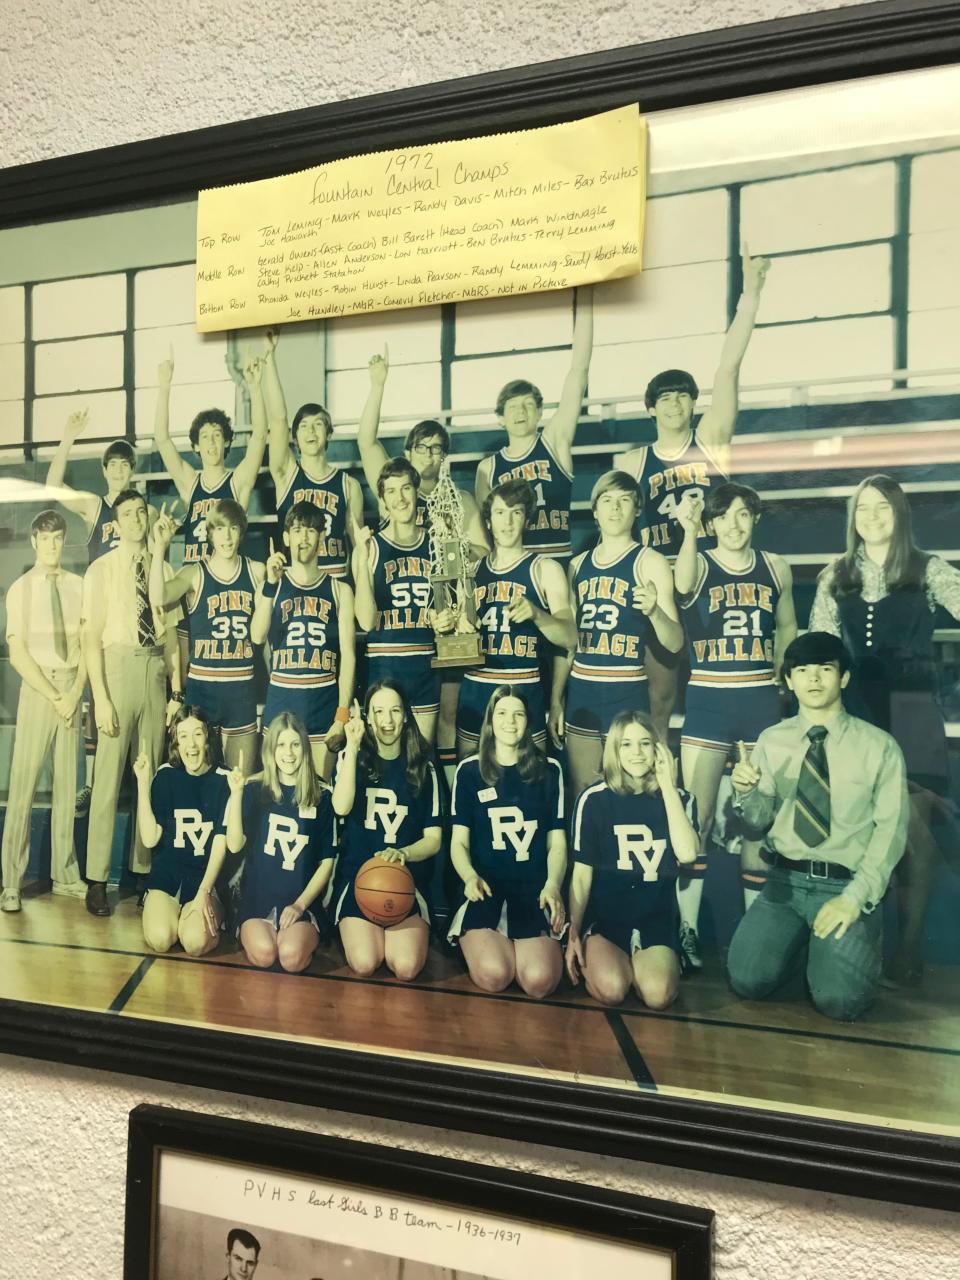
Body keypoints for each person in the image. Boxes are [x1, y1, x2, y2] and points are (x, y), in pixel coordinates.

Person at [810, 474, 960, 987]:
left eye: (882, 509)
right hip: (857, 717)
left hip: (915, 715)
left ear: (900, 514)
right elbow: (819, 648)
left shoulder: (930, 568)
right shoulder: (836, 574)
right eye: (862, 509)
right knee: (863, 827)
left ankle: (911, 948)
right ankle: (863, 943)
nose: (872, 518)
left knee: (916, 831)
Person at [618, 247, 771, 737]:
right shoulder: (633, 462)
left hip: (714, 580)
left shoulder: (711, 442)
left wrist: (750, 295)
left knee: (723, 690)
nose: (676, 404)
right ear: (651, 409)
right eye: (665, 398)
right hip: (663, 586)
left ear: (692, 403)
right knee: (658, 697)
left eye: (684, 395)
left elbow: (727, 368)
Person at [726, 631, 908, 1022]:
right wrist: (745, 791)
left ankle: (851, 946)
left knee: (840, 1002)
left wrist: (853, 899)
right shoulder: (772, 740)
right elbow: (758, 820)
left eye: (825, 669)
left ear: (843, 678)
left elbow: (891, 834)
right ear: (789, 680)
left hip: (845, 886)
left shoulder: (879, 746)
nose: (813, 679)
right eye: (802, 670)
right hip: (784, 885)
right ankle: (807, 949)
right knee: (746, 979)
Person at [673, 482, 797, 967]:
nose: (734, 524)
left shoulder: (774, 566)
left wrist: (783, 676)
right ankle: (686, 926)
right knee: (696, 818)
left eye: (744, 515)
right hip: (708, 698)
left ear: (755, 520)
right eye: (724, 516)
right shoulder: (699, 560)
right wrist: (688, 530)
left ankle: (752, 937)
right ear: (712, 522)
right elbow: (682, 587)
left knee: (757, 821)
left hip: (760, 700)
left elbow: (786, 625)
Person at [81, 489, 183, 917]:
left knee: (149, 777)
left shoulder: (165, 566)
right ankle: (97, 879)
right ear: (115, 523)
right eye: (127, 514)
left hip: (154, 668)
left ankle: (143, 873)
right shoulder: (100, 569)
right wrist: (100, 698)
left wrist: (177, 690)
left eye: (141, 512)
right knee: (107, 780)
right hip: (118, 666)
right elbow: (89, 638)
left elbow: (174, 635)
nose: (136, 519)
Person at [550, 471, 682, 799]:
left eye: (624, 500)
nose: (615, 508)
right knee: (582, 791)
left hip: (626, 691)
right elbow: (569, 642)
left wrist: (655, 612)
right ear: (594, 511)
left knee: (630, 788)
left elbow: (675, 642)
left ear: (637, 510)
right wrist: (556, 697)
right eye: (606, 500)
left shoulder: (650, 562)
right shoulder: (577, 566)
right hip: (582, 689)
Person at [566, 711, 699, 1008]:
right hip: (607, 919)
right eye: (626, 744)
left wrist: (667, 786)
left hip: (656, 918)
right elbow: (581, 875)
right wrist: (573, 930)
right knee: (612, 989)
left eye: (645, 743)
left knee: (658, 996)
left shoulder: (680, 798)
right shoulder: (594, 799)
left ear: (658, 749)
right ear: (614, 750)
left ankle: (651, 963)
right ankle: (614, 962)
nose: (636, 753)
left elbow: (688, 854)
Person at [449, 687, 566, 999]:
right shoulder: (470, 771)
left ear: (528, 723)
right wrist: (469, 876)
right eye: (501, 713)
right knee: (494, 975)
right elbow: (458, 843)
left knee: (539, 982)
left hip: (533, 891)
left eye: (518, 714)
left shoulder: (549, 771)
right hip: (486, 888)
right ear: (489, 721)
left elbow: (557, 843)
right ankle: (484, 942)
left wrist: (553, 884)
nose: (510, 721)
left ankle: (524, 946)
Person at [1, 510, 86, 912]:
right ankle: (11, 883)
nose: (51, 545)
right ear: (34, 541)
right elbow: (17, 654)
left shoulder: (78, 586)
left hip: (71, 687)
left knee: (68, 788)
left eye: (57, 539)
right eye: (44, 538)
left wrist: (74, 693)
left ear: (63, 542)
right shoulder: (20, 588)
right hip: (39, 690)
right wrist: (54, 695)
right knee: (23, 789)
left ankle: (66, 875)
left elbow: (89, 644)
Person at [331, 681, 442, 982]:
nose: (388, 720)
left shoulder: (423, 767)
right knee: (366, 962)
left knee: (405, 968)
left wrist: (404, 853)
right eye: (379, 712)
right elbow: (340, 807)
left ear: (406, 715)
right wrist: (352, 746)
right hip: (359, 880)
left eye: (395, 711)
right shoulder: (351, 757)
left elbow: (433, 840)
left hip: (406, 882)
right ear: (368, 717)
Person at [457, 480, 575, 757]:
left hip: (524, 688)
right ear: (487, 520)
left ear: (527, 519)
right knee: (471, 776)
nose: (507, 522)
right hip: (476, 686)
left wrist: (538, 615)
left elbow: (570, 638)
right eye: (500, 513)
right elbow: (453, 640)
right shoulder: (469, 572)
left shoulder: (545, 569)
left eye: (516, 513)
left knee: (529, 782)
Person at [476, 287, 593, 560]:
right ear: (500, 418)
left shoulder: (554, 442)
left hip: (556, 557)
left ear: (540, 412)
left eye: (528, 405)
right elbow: (484, 530)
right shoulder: (488, 468)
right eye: (513, 406)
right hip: (514, 564)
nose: (521, 412)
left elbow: (579, 372)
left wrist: (586, 300)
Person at [149, 499, 264, 774]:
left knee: (241, 783)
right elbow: (158, 596)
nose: (226, 537)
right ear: (209, 533)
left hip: (241, 689)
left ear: (241, 532)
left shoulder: (257, 572)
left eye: (233, 529)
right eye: (220, 529)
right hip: (203, 690)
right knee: (199, 780)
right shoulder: (195, 573)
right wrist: (160, 548)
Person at [352, 458, 456, 744]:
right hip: (384, 666)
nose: (400, 498)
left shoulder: (436, 544)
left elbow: (449, 608)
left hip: (425, 665)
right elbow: (364, 619)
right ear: (383, 499)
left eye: (406, 488)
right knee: (384, 759)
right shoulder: (370, 548)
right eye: (392, 491)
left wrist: (445, 619)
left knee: (421, 757)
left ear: (416, 491)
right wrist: (361, 562)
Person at [251, 501, 356, 779]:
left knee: (320, 791)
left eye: (311, 531)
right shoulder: (270, 585)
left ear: (321, 538)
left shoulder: (340, 590)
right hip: (282, 699)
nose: (304, 538)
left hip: (323, 701)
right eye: (297, 530)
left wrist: (341, 716)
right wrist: (270, 584)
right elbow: (256, 635)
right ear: (286, 538)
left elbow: (349, 657)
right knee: (276, 793)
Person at [135, 705, 244, 955]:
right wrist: (142, 783)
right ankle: (170, 911)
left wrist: (204, 892)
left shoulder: (224, 779)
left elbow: (223, 844)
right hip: (169, 875)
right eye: (183, 736)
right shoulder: (165, 776)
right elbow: (150, 838)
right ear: (176, 742)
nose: (191, 745)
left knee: (194, 943)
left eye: (197, 734)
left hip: (205, 880)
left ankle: (206, 915)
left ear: (208, 738)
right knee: (161, 939)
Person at [356, 348, 487, 552]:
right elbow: (366, 442)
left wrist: (453, 547)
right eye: (421, 447)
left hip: (438, 582)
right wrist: (377, 386)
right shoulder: (395, 488)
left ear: (444, 455)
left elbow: (483, 551)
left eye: (435, 448)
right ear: (408, 453)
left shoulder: (460, 500)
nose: (427, 454)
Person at [260, 328, 364, 576]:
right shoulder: (286, 474)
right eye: (303, 426)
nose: (311, 432)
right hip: (294, 580)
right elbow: (277, 418)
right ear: (294, 437)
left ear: (328, 433)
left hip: (335, 577)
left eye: (318, 424)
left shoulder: (349, 485)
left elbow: (358, 544)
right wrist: (269, 357)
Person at [238, 712, 336, 973]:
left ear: (304, 748)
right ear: (271, 750)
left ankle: (302, 939)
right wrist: (235, 796)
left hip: (300, 900)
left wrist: (300, 905)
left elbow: (327, 863)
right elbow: (235, 844)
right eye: (281, 744)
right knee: (264, 954)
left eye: (295, 744)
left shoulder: (322, 795)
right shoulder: (254, 789)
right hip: (260, 897)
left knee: (291, 958)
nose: (288, 753)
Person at [153, 352, 269, 565]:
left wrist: (254, 388)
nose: (211, 443)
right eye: (205, 437)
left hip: (226, 577)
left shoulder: (237, 482)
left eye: (217, 435)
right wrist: (164, 387)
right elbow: (162, 439)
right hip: (194, 577)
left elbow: (260, 435)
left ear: (226, 441)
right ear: (196, 446)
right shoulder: (190, 483)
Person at [45, 409, 157, 560]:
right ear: (104, 470)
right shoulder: (94, 506)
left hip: (134, 582)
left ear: (132, 470)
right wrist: (68, 437)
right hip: (102, 582)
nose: (118, 471)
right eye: (113, 465)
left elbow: (155, 559)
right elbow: (53, 486)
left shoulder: (147, 512)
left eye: (124, 465)